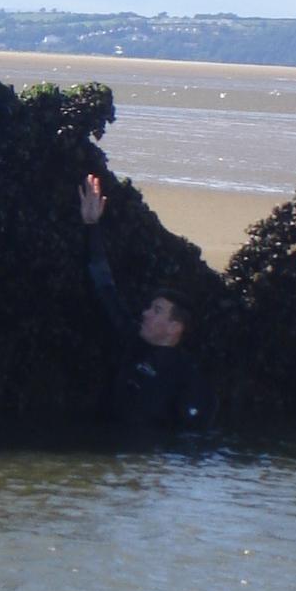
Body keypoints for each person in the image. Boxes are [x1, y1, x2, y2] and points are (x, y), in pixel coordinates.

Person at [79, 173, 215, 429]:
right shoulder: (129, 339)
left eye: (157, 310)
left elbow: (193, 439)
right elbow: (103, 286)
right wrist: (92, 225)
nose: (145, 313)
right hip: (109, 450)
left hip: (147, 457)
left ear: (175, 328)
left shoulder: (186, 376)